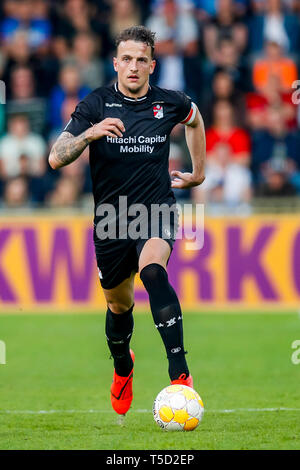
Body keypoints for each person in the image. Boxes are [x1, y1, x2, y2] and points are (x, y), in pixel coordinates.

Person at [48, 26, 206, 417]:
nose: (134, 67)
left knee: (153, 271)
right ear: (116, 63)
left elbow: (195, 119)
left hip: (156, 210)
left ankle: (180, 375)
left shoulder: (169, 102)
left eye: (141, 60)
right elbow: (55, 157)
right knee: (119, 308)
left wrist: (198, 173)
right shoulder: (95, 105)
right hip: (111, 220)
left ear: (152, 65)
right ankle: (123, 366)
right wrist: (90, 134)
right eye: (127, 59)